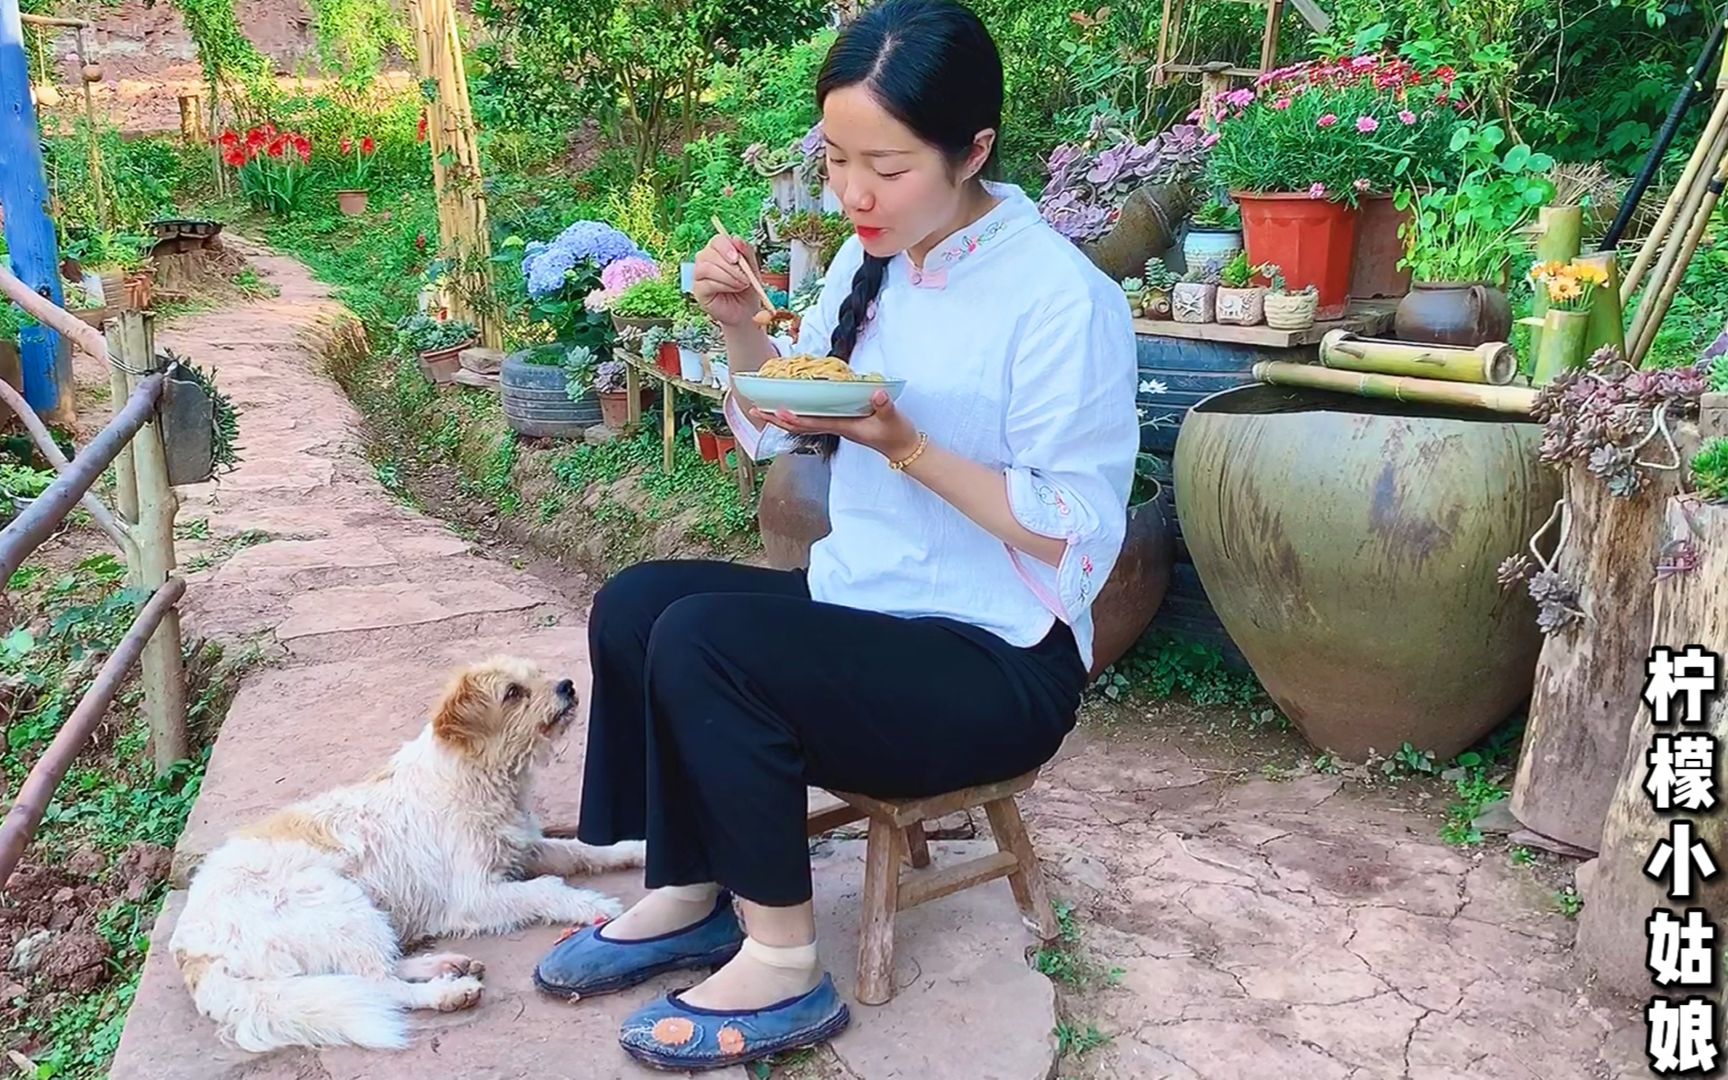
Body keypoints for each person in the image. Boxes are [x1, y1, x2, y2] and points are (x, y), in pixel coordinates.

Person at [532, 0, 1140, 1069]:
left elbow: (1075, 533)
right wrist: (738, 325)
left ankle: (781, 962)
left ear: (974, 151)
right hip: (867, 608)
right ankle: (689, 886)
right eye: (838, 159)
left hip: (993, 659)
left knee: (707, 643)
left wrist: (904, 443)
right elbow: (785, 412)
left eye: (888, 165)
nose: (854, 192)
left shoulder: (1060, 300)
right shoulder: (877, 261)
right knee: (639, 605)